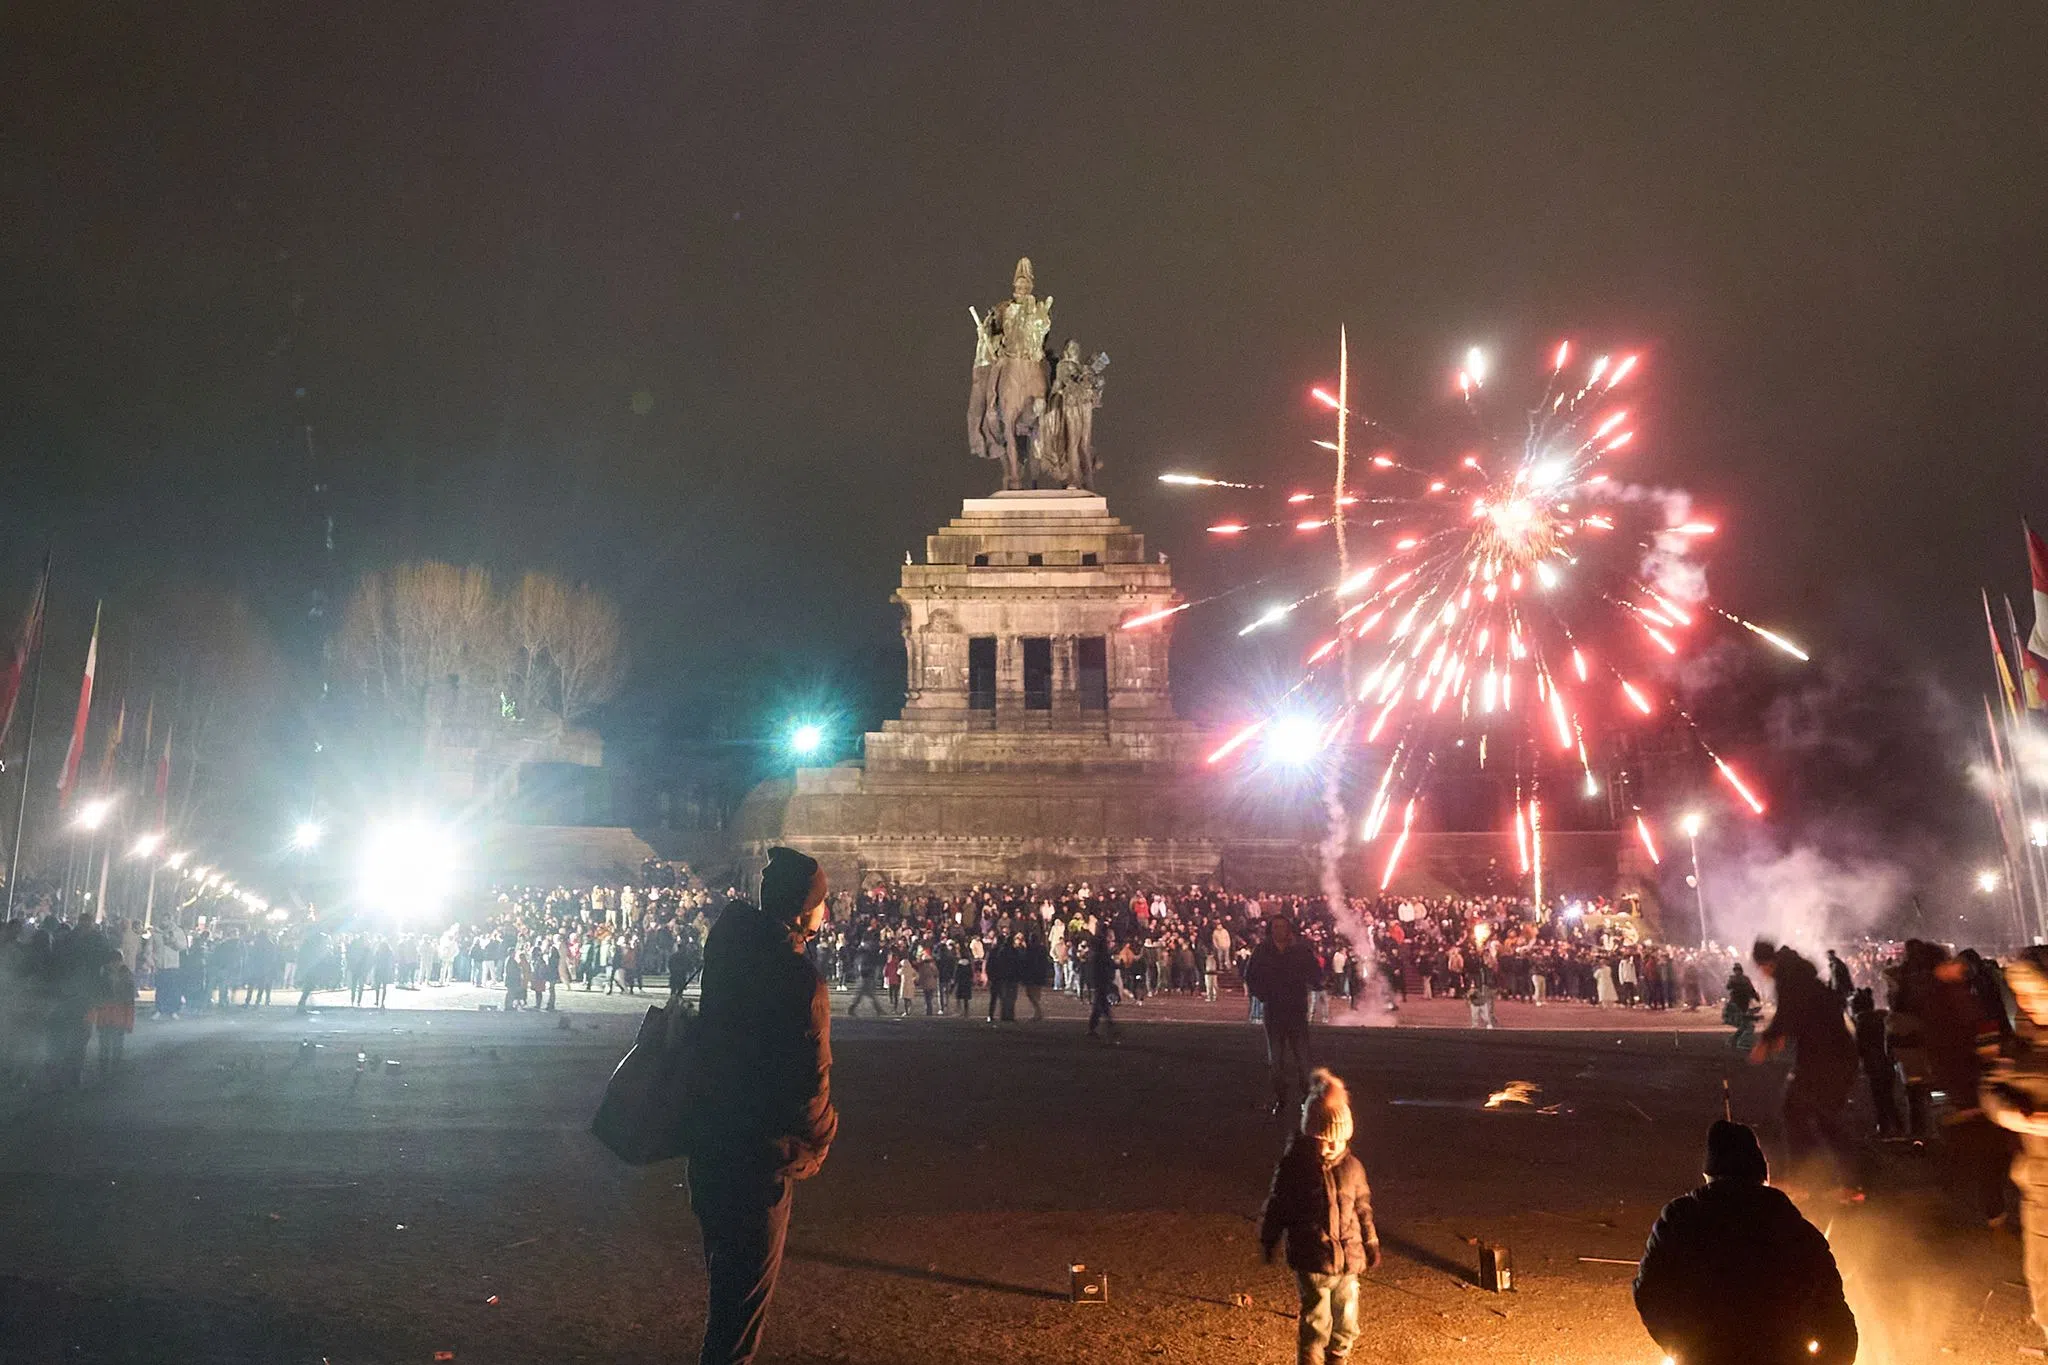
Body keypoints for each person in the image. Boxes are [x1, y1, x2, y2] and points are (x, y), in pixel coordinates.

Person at [686, 846, 838, 1365]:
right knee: (738, 1322)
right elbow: (810, 1085)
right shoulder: (799, 981)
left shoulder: (728, 952)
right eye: (822, 904)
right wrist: (819, 1140)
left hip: (710, 1144)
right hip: (761, 1156)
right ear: (804, 909)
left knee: (725, 1296)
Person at [1633, 1120, 1856, 1364]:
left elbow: (1649, 1291)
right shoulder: (1797, 1232)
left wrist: (1685, 1346)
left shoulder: (1678, 1221)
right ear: (1761, 1175)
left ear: (1709, 1174)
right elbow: (1836, 1322)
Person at [1258, 1068, 1380, 1365]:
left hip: (1348, 1261)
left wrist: (1371, 1241)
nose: (1329, 1148)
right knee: (1316, 1320)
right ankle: (1311, 1360)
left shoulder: (1353, 1168)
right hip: (1312, 1260)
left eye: (1336, 1141)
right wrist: (1269, 1238)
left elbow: (1362, 1207)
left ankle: (1338, 1355)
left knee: (1347, 1317)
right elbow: (1279, 1205)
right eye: (1321, 1140)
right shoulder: (1295, 1166)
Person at [1750, 941, 1861, 1197]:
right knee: (1821, 1116)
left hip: (1826, 1057)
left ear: (1766, 964)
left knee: (1798, 1110)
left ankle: (1809, 1181)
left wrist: (1768, 1040)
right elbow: (1798, 1015)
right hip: (1830, 1054)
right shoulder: (1797, 973)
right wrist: (1780, 1035)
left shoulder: (1790, 978)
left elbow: (1789, 1012)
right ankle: (1847, 1183)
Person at [1983, 946, 2048, 1346]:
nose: (2025, 1002)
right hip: (2038, 1186)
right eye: (2018, 992)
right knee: (2042, 1279)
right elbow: (1991, 1088)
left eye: (2034, 991)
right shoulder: (2021, 1040)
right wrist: (2014, 1116)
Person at [1245, 915, 1321, 1117]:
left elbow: (1315, 971)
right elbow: (1250, 975)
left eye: (1283, 927)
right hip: (1274, 1009)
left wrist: (1314, 982)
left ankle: (1307, 1099)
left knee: (1303, 1059)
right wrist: (1263, 995)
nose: (1279, 930)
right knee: (1276, 1060)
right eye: (1276, 927)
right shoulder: (1262, 951)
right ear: (1271, 929)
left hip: (1296, 1009)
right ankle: (1281, 1098)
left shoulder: (1299, 950)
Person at [1849, 987, 1902, 1139]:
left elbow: (1859, 1047)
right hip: (1887, 1064)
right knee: (1889, 1097)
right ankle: (1897, 1126)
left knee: (1880, 1098)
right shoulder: (1882, 1019)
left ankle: (1885, 1127)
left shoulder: (1861, 1023)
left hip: (1873, 1065)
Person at [1723, 962, 1760, 1051]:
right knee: (1746, 1025)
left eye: (1738, 970)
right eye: (1736, 970)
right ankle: (1740, 1042)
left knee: (1744, 1025)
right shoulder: (1738, 979)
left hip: (1742, 1003)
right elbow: (1728, 987)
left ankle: (1733, 1040)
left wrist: (1755, 997)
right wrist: (1755, 997)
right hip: (1738, 1003)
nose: (1737, 972)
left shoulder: (1740, 979)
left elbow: (1751, 989)